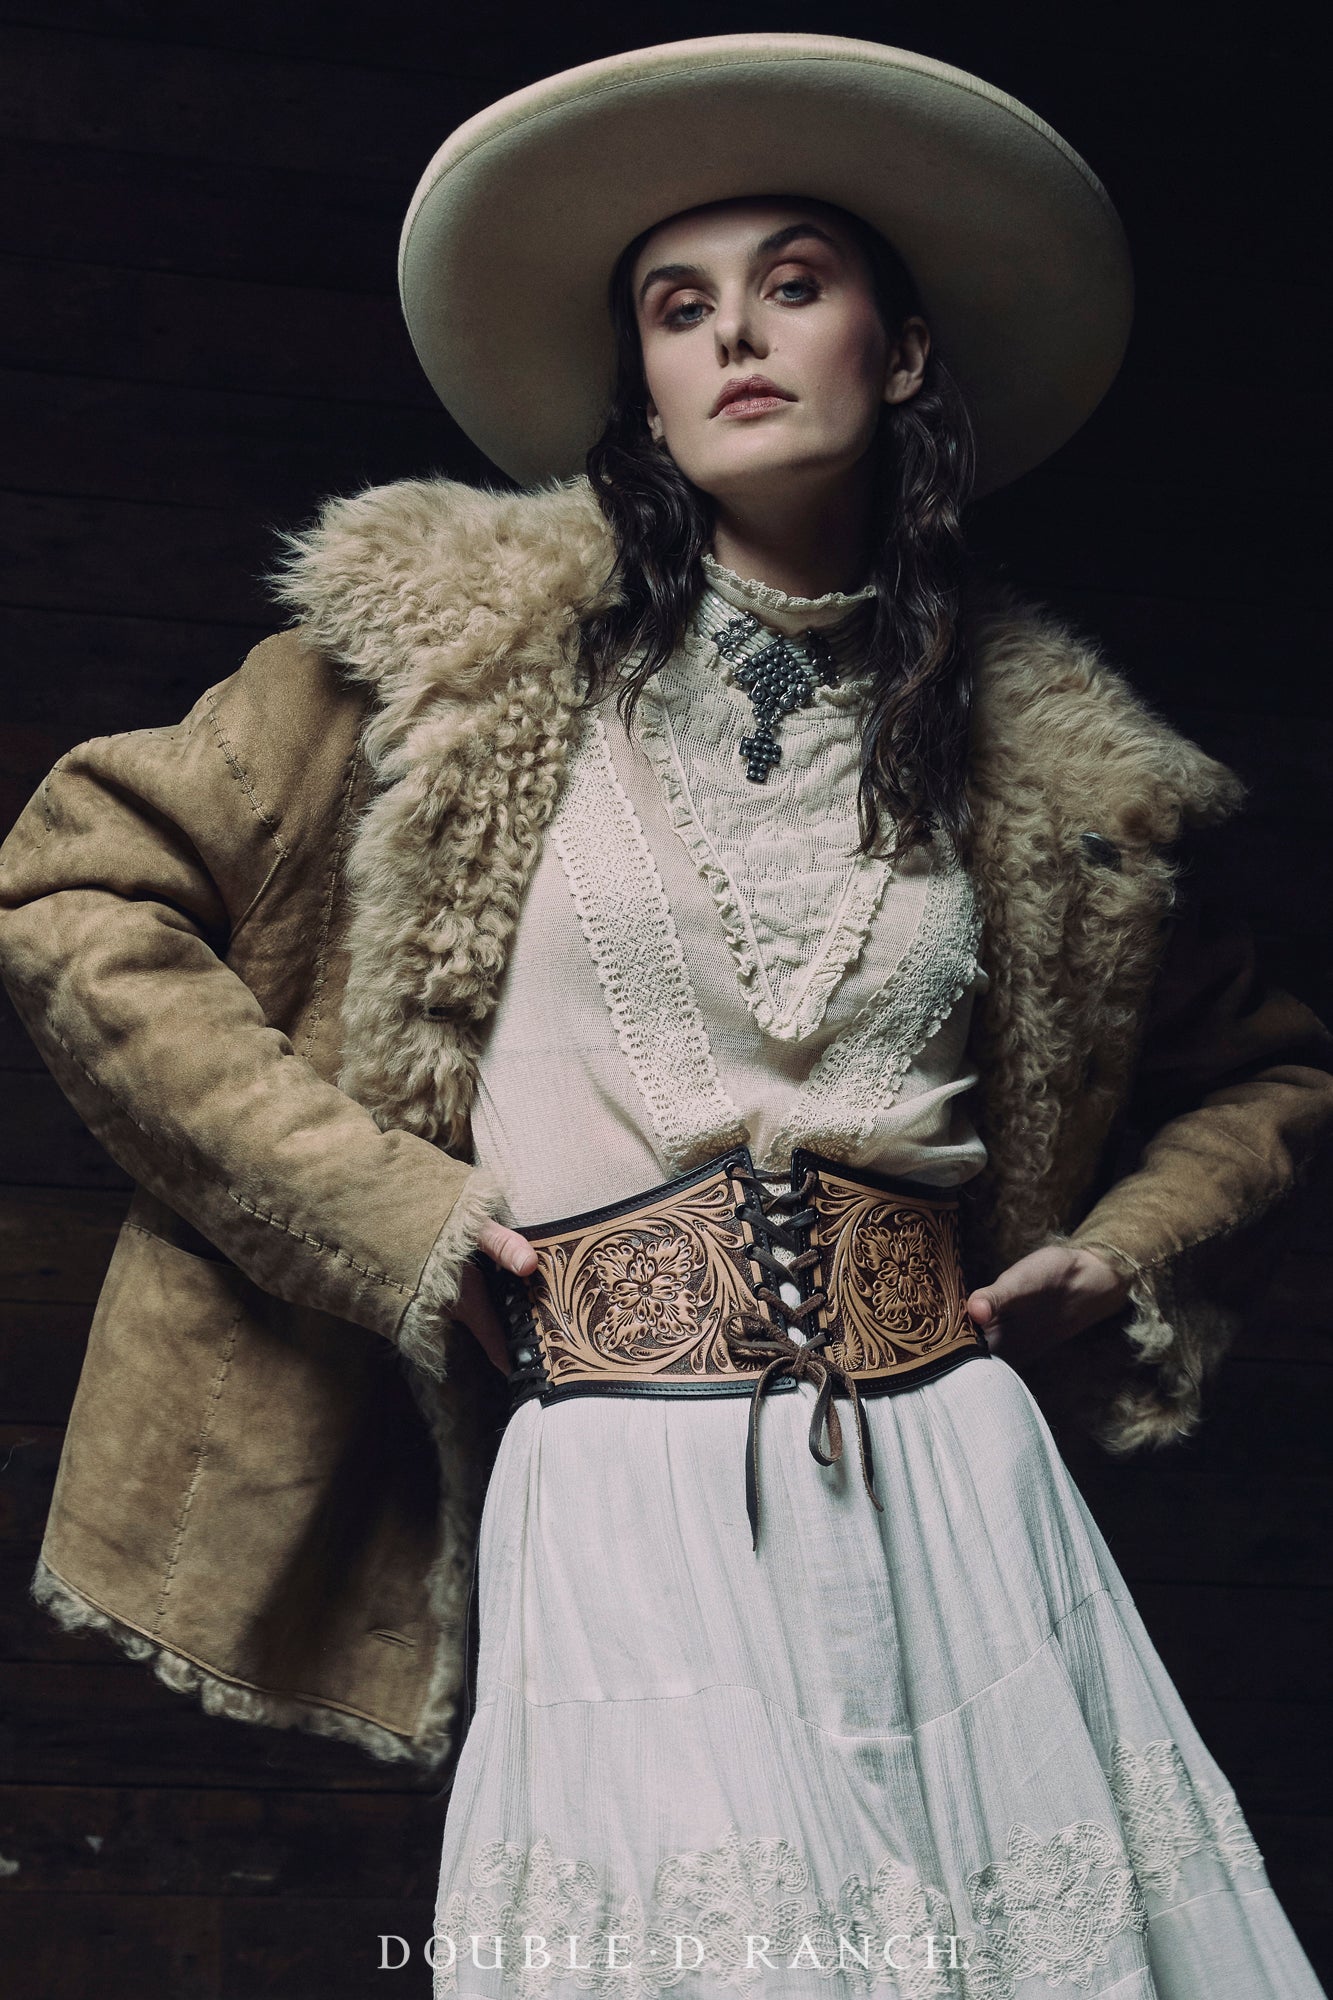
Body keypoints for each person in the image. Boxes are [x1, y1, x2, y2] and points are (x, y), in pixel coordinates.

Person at [1, 32, 1329, 2000]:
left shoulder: (1053, 765)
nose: (736, 338)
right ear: (637, 377)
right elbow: (74, 887)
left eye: (792, 284)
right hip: (620, 1478)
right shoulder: (450, 658)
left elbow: (1273, 1070)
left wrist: (1118, 1254)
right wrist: (388, 1212)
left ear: (901, 351)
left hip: (961, 1492)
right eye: (676, 307)